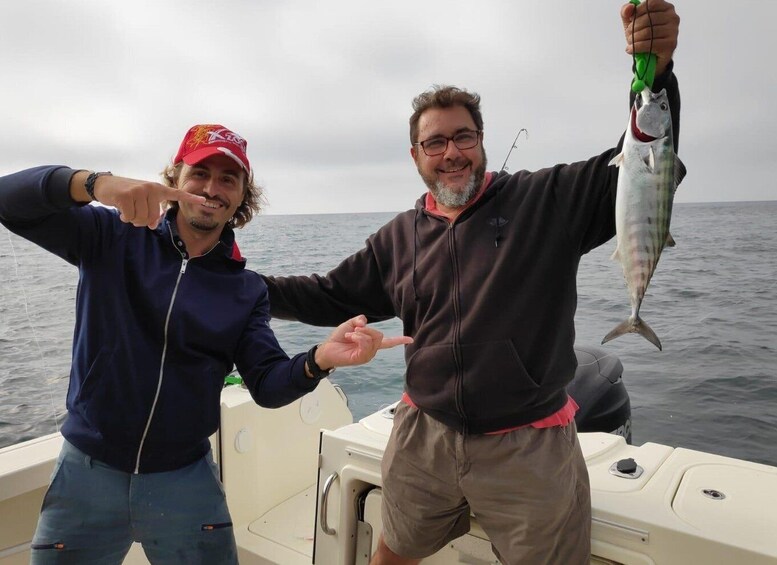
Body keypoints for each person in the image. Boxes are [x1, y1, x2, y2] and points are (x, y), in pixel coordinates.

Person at [261, 2, 681, 564]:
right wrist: (243, 289)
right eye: (435, 142)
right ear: (416, 155)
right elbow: (327, 294)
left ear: (482, 141)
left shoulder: (546, 201)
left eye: (464, 137)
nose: (451, 152)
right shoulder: (398, 237)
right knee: (391, 555)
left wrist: (657, 72)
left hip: (529, 448)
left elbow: (644, 161)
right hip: (422, 437)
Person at [0, 123, 412, 565]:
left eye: (228, 178)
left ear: (240, 197)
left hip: (185, 480)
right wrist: (95, 183)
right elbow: (9, 200)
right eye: (200, 173)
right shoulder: (110, 236)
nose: (211, 188)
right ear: (174, 180)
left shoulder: (245, 289)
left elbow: (268, 385)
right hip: (86, 472)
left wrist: (319, 360)